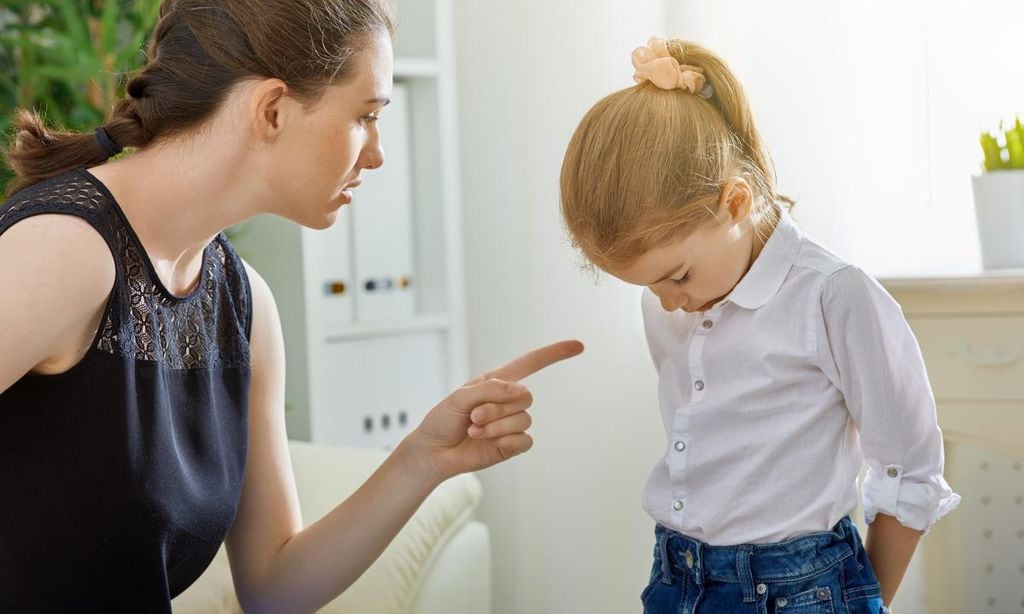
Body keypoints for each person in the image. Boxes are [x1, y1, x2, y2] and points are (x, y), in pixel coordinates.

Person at [0, 0, 582, 610]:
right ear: (272, 110)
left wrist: (421, 460)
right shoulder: (68, 251)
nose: (377, 153)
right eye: (365, 115)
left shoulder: (243, 305)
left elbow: (274, 588)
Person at [559, 36, 958, 613]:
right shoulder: (672, 306)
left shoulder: (833, 295)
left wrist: (866, 601)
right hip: (677, 575)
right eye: (648, 287)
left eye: (677, 276)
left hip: (801, 589)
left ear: (736, 203)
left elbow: (910, 469)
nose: (668, 303)